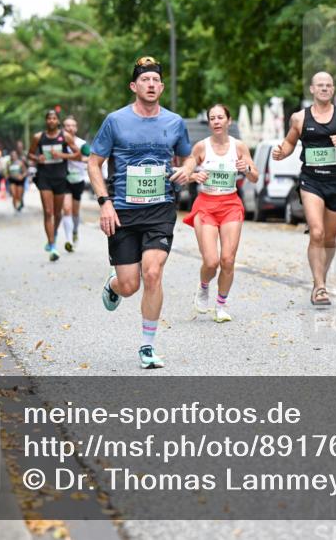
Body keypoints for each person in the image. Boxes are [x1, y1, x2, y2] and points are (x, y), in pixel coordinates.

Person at [88, 56, 193, 369]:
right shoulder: (115, 121)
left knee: (153, 272)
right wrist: (104, 202)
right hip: (122, 212)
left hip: (160, 209)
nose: (150, 85)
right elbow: (93, 162)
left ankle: (147, 347)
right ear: (133, 86)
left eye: (155, 81)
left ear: (161, 87)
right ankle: (114, 285)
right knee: (130, 285)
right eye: (144, 80)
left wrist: (187, 170)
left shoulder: (174, 122)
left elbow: (188, 158)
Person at [272, 72, 336, 306]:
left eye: (328, 86)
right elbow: (290, 143)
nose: (324, 89)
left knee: (331, 237)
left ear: (333, 90)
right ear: (312, 90)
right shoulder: (299, 118)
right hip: (311, 180)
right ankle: (321, 287)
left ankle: (319, 280)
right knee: (317, 232)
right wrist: (281, 152)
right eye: (320, 86)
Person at [181, 104, 258, 323]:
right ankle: (204, 287)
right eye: (212, 118)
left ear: (228, 121)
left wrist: (247, 168)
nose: (216, 121)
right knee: (212, 261)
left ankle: (221, 305)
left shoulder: (239, 146)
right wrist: (193, 176)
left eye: (220, 117)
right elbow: (186, 170)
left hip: (230, 204)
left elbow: (255, 177)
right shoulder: (201, 147)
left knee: (228, 259)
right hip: (206, 205)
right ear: (209, 123)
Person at [28, 110, 80, 261]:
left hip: (60, 177)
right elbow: (30, 154)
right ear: (46, 121)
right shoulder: (38, 137)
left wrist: (62, 155)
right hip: (44, 177)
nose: (51, 120)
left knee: (58, 213)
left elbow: (76, 154)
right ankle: (52, 246)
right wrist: (38, 158)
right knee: (48, 211)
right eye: (49, 118)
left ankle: (54, 233)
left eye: (54, 118)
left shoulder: (65, 136)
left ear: (58, 121)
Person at [61, 115, 89, 252]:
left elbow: (90, 159)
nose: (70, 128)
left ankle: (75, 231)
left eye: (72, 125)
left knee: (75, 211)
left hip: (78, 179)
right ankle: (68, 240)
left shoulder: (82, 144)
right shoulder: (59, 143)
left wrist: (78, 158)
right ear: (63, 128)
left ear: (76, 128)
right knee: (66, 209)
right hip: (64, 179)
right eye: (67, 125)